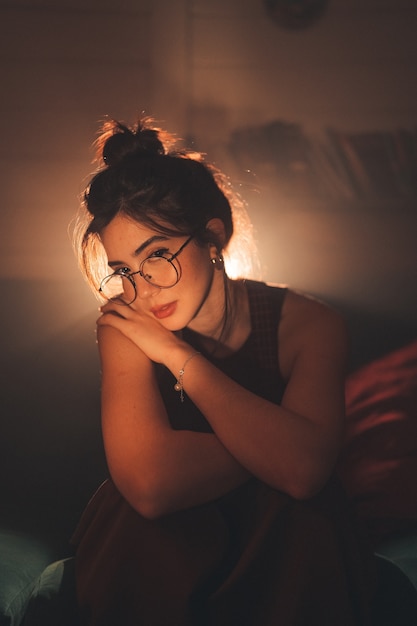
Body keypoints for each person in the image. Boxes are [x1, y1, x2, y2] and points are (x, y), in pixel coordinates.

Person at [71, 116, 374, 626]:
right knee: (143, 524)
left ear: (213, 235)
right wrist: (275, 444)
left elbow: (303, 476)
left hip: (286, 541)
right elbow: (150, 484)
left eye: (159, 256)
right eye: (123, 271)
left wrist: (176, 357)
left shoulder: (310, 325)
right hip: (166, 544)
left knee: (303, 518)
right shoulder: (123, 327)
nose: (142, 290)